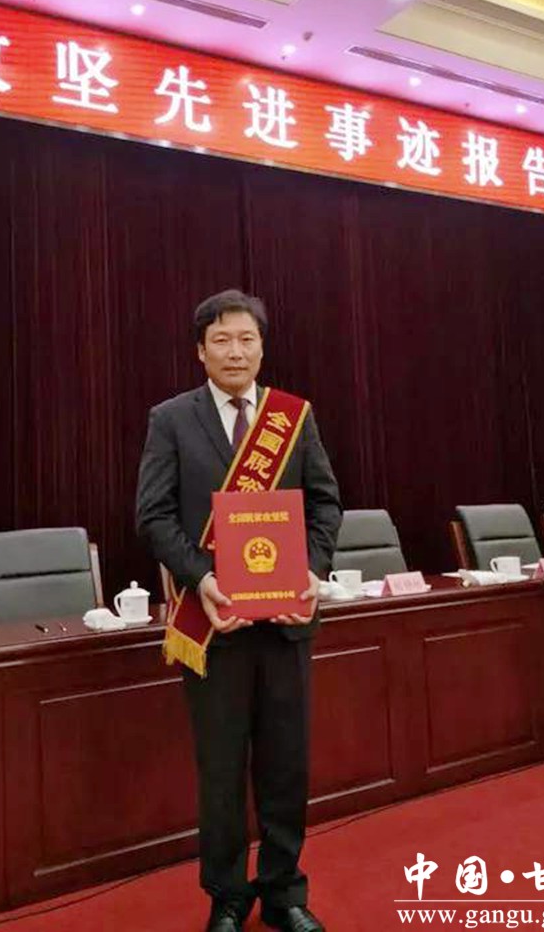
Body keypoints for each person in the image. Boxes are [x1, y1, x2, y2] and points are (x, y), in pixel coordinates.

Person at [136, 289, 341, 932]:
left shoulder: (292, 418)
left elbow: (326, 504)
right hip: (215, 627)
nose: (235, 351)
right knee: (221, 771)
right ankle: (227, 896)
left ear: (262, 347)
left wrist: (312, 571)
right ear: (201, 351)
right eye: (221, 340)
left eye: (246, 339)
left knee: (286, 766)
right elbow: (153, 516)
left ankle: (284, 891)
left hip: (285, 626)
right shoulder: (171, 419)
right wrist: (201, 579)